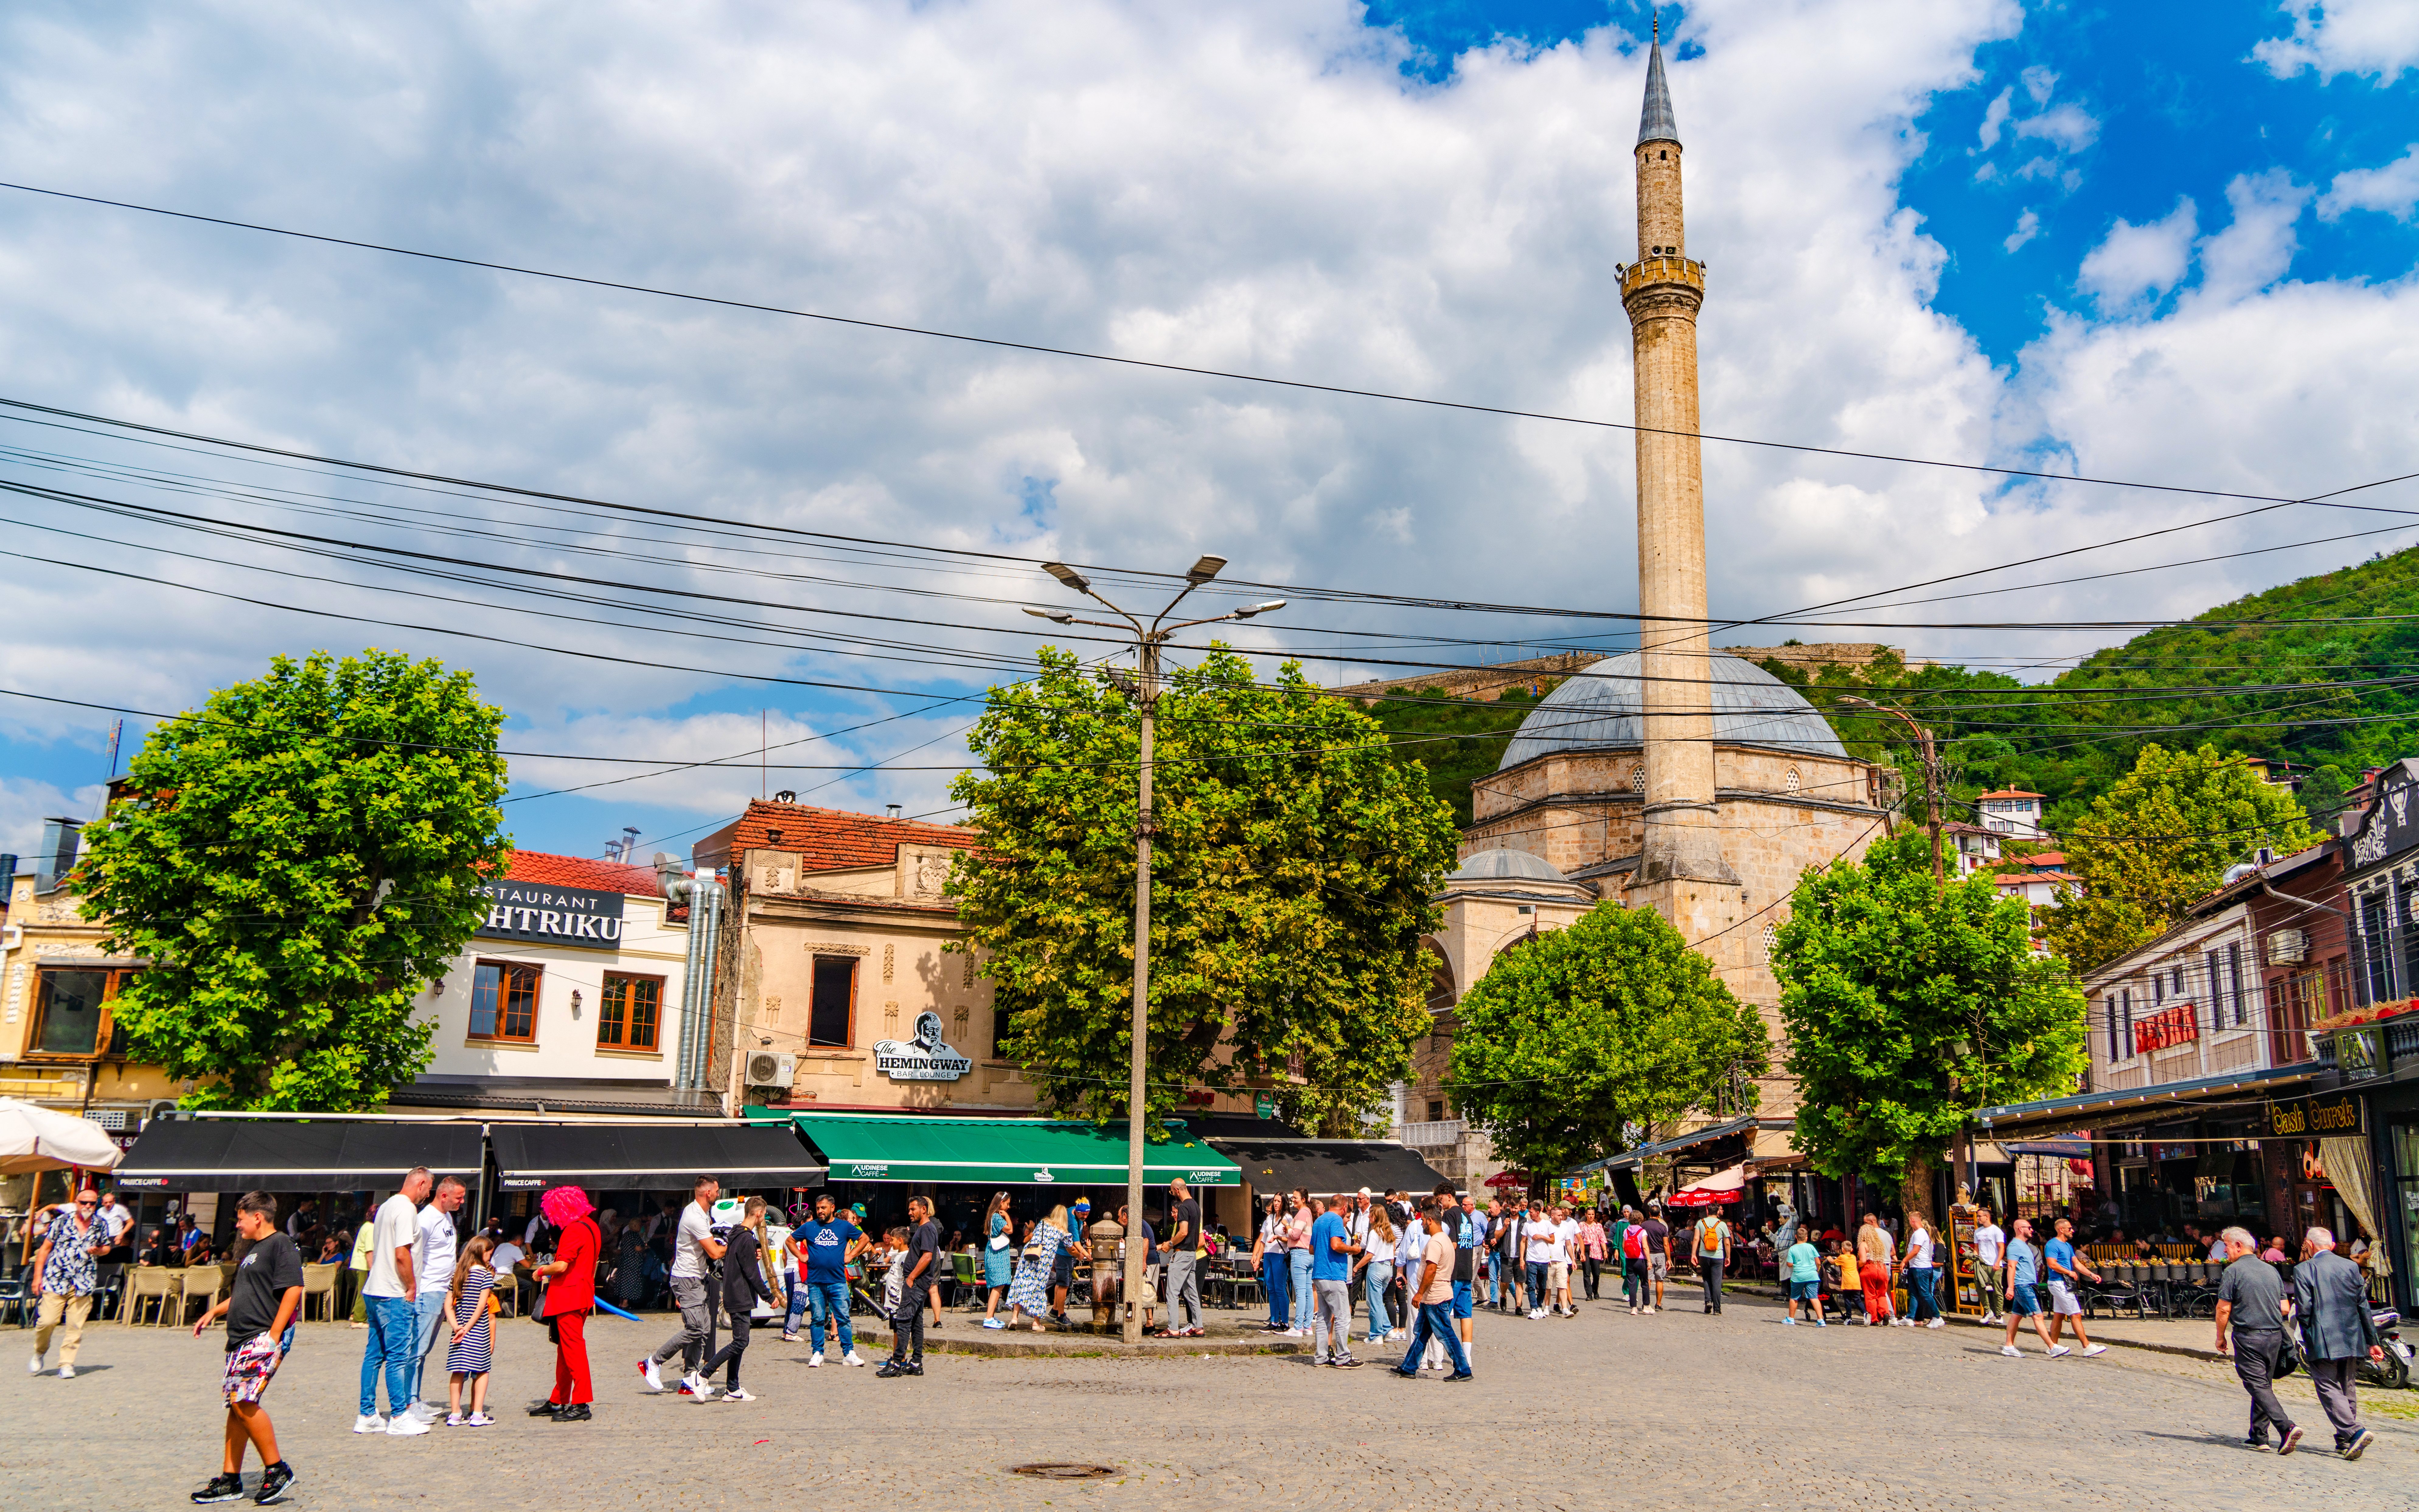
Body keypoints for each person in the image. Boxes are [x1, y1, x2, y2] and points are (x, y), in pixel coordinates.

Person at [188, 1192, 303, 1506]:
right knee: (236, 1409)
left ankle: (277, 1469)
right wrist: (213, 1312)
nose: (237, 1225)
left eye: (240, 1218)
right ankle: (230, 1479)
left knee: (244, 1402)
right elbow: (244, 1295)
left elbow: (294, 1289)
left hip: (262, 1336)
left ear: (257, 1217)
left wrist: (274, 1336)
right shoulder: (255, 1250)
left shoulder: (281, 1245)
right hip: (240, 1338)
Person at [2291, 1225, 2384, 1460]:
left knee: (2327, 1386)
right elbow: (2363, 1305)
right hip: (2351, 1335)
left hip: (2322, 1337)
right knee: (2347, 1385)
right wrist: (2373, 1340)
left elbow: (2305, 1309)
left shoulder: (2304, 1269)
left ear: (2310, 1245)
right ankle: (2345, 1440)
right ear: (2332, 1245)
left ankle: (2354, 1432)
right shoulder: (2351, 1266)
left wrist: (2305, 1335)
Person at [2213, 1225, 2302, 1453]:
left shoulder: (2233, 1271)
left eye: (2227, 1247)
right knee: (2264, 1384)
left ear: (2239, 1246)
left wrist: (2220, 1336)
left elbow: (2224, 1309)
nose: (2226, 1253)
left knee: (2256, 1383)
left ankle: (2286, 1427)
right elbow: (2285, 1307)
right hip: (2274, 1335)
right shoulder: (2271, 1270)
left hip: (2249, 1335)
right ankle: (2259, 1436)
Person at [357, 1167, 432, 1434]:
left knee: (374, 1355)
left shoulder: (387, 1206)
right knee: (399, 1356)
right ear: (421, 1183)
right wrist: (411, 1285)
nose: (428, 1194)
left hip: (375, 1287)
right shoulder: (407, 1209)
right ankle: (399, 1415)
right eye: (428, 1188)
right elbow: (402, 1253)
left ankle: (367, 1414)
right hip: (394, 1291)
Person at [641, 1175, 725, 1396]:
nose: (718, 1193)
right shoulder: (695, 1216)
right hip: (686, 1278)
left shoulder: (703, 1213)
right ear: (708, 1193)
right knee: (696, 1328)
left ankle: (690, 1378)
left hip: (696, 1277)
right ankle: (653, 1361)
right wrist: (736, 1242)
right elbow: (715, 1252)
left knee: (704, 1329)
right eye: (717, 1191)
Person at [531, 1184, 601, 1423]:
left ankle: (581, 1402)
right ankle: (559, 1398)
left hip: (568, 1296)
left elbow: (561, 1266)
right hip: (582, 1292)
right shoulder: (592, 1226)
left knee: (573, 1350)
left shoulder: (573, 1230)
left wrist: (541, 1270)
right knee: (566, 1349)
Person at [28, 1185, 111, 1381]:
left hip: (83, 1282)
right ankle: (39, 1352)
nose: (88, 1206)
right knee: (47, 1321)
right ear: (76, 1203)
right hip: (57, 1278)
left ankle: (66, 1364)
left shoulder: (100, 1224)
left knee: (76, 1325)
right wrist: (37, 1278)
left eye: (92, 1203)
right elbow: (45, 1250)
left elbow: (107, 1246)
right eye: (84, 1202)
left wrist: (101, 1251)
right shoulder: (61, 1222)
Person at [402, 1175, 467, 1425]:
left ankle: (415, 1398)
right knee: (416, 1349)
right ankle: (408, 1403)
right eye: (458, 1197)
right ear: (443, 1195)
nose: (462, 1201)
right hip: (428, 1290)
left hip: (443, 1291)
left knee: (425, 1349)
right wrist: (414, 1288)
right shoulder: (425, 1220)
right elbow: (413, 1254)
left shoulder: (447, 1217)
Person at [699, 1197, 778, 1401]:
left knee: (739, 1341)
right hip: (740, 1294)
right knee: (741, 1341)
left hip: (735, 1292)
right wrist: (769, 1297)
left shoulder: (737, 1234)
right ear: (760, 1214)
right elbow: (752, 1273)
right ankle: (703, 1375)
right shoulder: (745, 1238)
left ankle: (732, 1388)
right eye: (764, 1216)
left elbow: (742, 1261)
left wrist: (753, 1254)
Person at [1391, 1206, 1473, 1382]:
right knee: (1421, 1333)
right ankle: (1409, 1367)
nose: (1421, 1224)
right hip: (1435, 1295)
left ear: (1430, 1221)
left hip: (1435, 1296)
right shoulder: (1445, 1239)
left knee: (1445, 1334)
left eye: (1423, 1221)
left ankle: (1463, 1368)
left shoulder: (1436, 1242)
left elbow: (1431, 1269)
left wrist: (1419, 1294)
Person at [792, 1194, 868, 1364]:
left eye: (823, 1208)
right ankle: (818, 1353)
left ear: (833, 1208)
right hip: (816, 1281)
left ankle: (849, 1353)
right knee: (817, 1319)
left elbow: (864, 1239)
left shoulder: (843, 1226)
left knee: (844, 1318)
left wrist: (851, 1255)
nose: (820, 1211)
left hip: (838, 1280)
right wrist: (801, 1256)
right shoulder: (810, 1227)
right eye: (818, 1208)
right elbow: (790, 1241)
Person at [877, 1195, 941, 1376]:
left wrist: (911, 1278)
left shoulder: (927, 1229)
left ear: (924, 1209)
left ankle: (897, 1363)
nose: (910, 1212)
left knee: (904, 1321)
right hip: (918, 1283)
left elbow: (928, 1256)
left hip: (916, 1283)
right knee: (916, 1323)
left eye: (913, 1209)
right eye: (910, 1209)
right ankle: (916, 1362)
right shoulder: (923, 1229)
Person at [443, 1234, 497, 1426]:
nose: (490, 1257)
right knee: (482, 1370)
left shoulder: (458, 1274)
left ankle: (456, 1414)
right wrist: (468, 1327)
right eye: (489, 1253)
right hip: (478, 1330)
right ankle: (477, 1413)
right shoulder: (484, 1274)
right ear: (482, 1252)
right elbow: (482, 1306)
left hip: (458, 1332)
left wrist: (457, 1326)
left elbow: (448, 1305)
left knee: (457, 1372)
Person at [2042, 1216, 2107, 1356]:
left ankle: (2053, 1347)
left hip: (2063, 1283)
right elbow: (2052, 1264)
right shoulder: (2052, 1245)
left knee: (2059, 1315)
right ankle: (2087, 1347)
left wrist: (2091, 1274)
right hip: (2059, 1283)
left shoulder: (2068, 1246)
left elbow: (2077, 1264)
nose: (2073, 1231)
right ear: (2061, 1230)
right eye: (2070, 1229)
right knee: (2076, 1314)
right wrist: (2069, 1272)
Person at [2000, 1218, 2065, 1358]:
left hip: (2028, 1284)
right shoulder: (2015, 1246)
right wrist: (2011, 1288)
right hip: (2022, 1285)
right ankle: (2052, 1347)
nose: (2032, 1231)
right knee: (2038, 1316)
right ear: (2020, 1229)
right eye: (2029, 1228)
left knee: (2016, 1317)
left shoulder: (2025, 1245)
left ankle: (2009, 1346)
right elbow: (2011, 1267)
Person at [1309, 1194, 1361, 1367]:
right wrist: (1353, 1249)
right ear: (1345, 1208)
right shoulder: (1337, 1220)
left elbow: (1311, 1249)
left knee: (1324, 1318)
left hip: (1319, 1274)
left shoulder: (1319, 1221)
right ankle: (1343, 1358)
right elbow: (1336, 1245)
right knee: (1343, 1316)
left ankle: (1321, 1357)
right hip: (1333, 1274)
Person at [1005, 1203, 1067, 1332]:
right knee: (1038, 1289)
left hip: (1029, 1256)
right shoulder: (1062, 1231)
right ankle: (1036, 1323)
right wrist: (1082, 1254)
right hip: (1043, 1263)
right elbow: (1071, 1246)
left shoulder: (1043, 1223)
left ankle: (1015, 1319)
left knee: (1021, 1285)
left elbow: (1034, 1237)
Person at [1161, 1179, 1204, 1339]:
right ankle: (1198, 1326)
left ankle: (1173, 1328)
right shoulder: (1196, 1207)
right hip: (1193, 1254)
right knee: (1191, 1291)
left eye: (1172, 1192)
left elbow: (1184, 1232)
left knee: (1172, 1292)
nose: (1173, 1194)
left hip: (1182, 1253)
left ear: (1177, 1190)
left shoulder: (1185, 1207)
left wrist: (1170, 1244)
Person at [1251, 1196, 1290, 1333]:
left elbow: (1290, 1239)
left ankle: (1285, 1322)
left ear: (1284, 1202)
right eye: (1275, 1201)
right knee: (1271, 1289)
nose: (1276, 1203)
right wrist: (1258, 1258)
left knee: (1280, 1289)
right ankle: (1274, 1321)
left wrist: (1279, 1237)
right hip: (1268, 1254)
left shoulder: (1288, 1218)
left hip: (1280, 1255)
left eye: (1279, 1201)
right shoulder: (1269, 1218)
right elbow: (1263, 1240)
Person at [1362, 1202, 1397, 1343]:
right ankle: (1388, 1330)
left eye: (1371, 1214)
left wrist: (1356, 1268)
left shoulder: (1374, 1232)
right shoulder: (1389, 1231)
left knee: (1375, 1303)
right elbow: (1393, 1252)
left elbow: (1370, 1255)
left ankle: (1376, 1335)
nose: (1369, 1216)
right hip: (1387, 1268)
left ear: (1376, 1216)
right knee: (1376, 1301)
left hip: (1376, 1267)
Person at [979, 1191, 1015, 1328]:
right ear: (1002, 1203)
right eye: (1008, 1204)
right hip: (997, 1255)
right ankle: (989, 1319)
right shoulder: (998, 1217)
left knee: (997, 1285)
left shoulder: (991, 1216)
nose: (1008, 1207)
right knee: (998, 1286)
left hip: (994, 1253)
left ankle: (991, 1317)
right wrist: (1007, 1216)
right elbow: (1010, 1230)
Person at [1856, 1211, 1897, 1327]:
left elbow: (1863, 1261)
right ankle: (1886, 1313)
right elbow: (1893, 1252)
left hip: (1870, 1268)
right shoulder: (1880, 1242)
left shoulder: (1864, 1244)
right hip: (1883, 1267)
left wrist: (1857, 1265)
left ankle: (1874, 1318)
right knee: (1882, 1294)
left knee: (1870, 1296)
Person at [1284, 1190, 1315, 1336]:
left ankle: (1298, 1327)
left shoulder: (1303, 1213)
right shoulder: (1309, 1213)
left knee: (1301, 1291)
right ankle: (1308, 1326)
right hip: (1309, 1255)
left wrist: (1288, 1226)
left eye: (1295, 1198)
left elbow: (1295, 1235)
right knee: (1308, 1290)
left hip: (1299, 1254)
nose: (1293, 1200)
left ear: (1303, 1199)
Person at [1903, 1212, 1941, 1329]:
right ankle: (1910, 1318)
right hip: (1917, 1267)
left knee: (1925, 1293)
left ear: (1912, 1220)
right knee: (1914, 1293)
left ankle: (1937, 1317)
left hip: (1921, 1268)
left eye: (1910, 1220)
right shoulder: (1920, 1233)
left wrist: (1904, 1261)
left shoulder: (1920, 1233)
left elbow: (1916, 1251)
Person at [1692, 1206, 1731, 1315]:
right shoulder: (1722, 1224)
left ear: (1708, 1211)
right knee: (1717, 1282)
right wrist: (1728, 1256)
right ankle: (1717, 1309)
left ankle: (1708, 1301)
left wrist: (1693, 1254)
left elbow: (1696, 1239)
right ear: (1718, 1212)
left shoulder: (1701, 1223)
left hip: (1704, 1256)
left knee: (1707, 1279)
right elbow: (1727, 1242)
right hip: (1718, 1256)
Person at [1783, 1229, 1824, 1326]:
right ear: (1807, 1238)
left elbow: (1789, 1264)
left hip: (1798, 1277)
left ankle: (1791, 1319)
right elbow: (1818, 1262)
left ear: (1796, 1237)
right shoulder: (1811, 1247)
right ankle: (1820, 1320)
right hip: (1812, 1276)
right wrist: (1816, 1271)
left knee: (1794, 1298)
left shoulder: (1793, 1249)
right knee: (1814, 1297)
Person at [1972, 1208, 2006, 1325]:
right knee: (1979, 1287)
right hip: (1982, 1264)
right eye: (1978, 1216)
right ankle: (1987, 1311)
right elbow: (1977, 1248)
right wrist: (1975, 1259)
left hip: (1994, 1264)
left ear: (1987, 1217)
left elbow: (2002, 1248)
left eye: (1980, 1216)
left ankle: (1999, 1314)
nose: (1978, 1218)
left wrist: (1998, 1262)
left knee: (1997, 1289)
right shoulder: (1978, 1232)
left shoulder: (1996, 1231)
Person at [1641, 1204, 1671, 1314]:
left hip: (1648, 1254)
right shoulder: (1663, 1227)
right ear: (1659, 1215)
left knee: (1648, 1279)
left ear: (1649, 1213)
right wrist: (1669, 1259)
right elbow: (1666, 1244)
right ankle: (1658, 1304)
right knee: (1660, 1279)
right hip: (1660, 1255)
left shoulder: (1644, 1225)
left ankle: (1646, 1303)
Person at [1577, 1208, 1607, 1302]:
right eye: (1589, 1214)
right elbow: (1578, 1238)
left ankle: (1595, 1290)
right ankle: (1589, 1293)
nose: (1591, 1216)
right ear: (1586, 1215)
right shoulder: (1581, 1225)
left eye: (1593, 1214)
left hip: (1596, 1250)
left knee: (1597, 1274)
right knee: (1587, 1272)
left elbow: (1602, 1239)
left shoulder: (1599, 1226)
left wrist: (1605, 1250)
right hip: (1585, 1249)